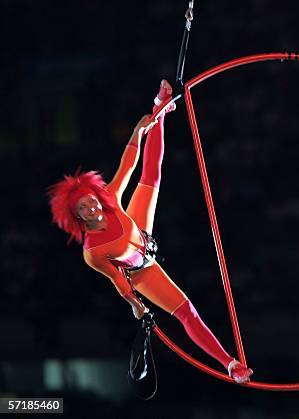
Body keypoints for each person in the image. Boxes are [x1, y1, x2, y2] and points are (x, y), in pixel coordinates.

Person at [48, 80, 253, 384]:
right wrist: (138, 307)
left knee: (150, 173)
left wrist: (138, 131)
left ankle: (161, 106)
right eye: (84, 209)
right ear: (76, 217)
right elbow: (119, 281)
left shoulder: (110, 201)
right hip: (140, 270)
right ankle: (231, 364)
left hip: (140, 231)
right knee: (187, 312)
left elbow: (127, 166)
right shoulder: (93, 251)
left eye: (91, 201)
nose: (92, 208)